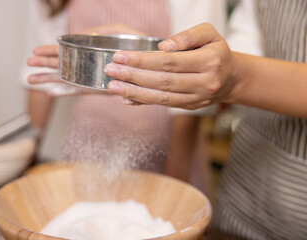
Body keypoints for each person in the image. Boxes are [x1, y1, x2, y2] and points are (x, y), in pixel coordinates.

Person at [105, 0, 307, 239]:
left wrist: (235, 77)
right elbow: (249, 36)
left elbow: (238, 70)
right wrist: (163, 56)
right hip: (245, 193)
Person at [23, 0, 226, 196]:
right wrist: (25, 159)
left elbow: (195, 72)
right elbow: (44, 70)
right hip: (88, 143)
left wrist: (175, 179)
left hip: (170, 148)